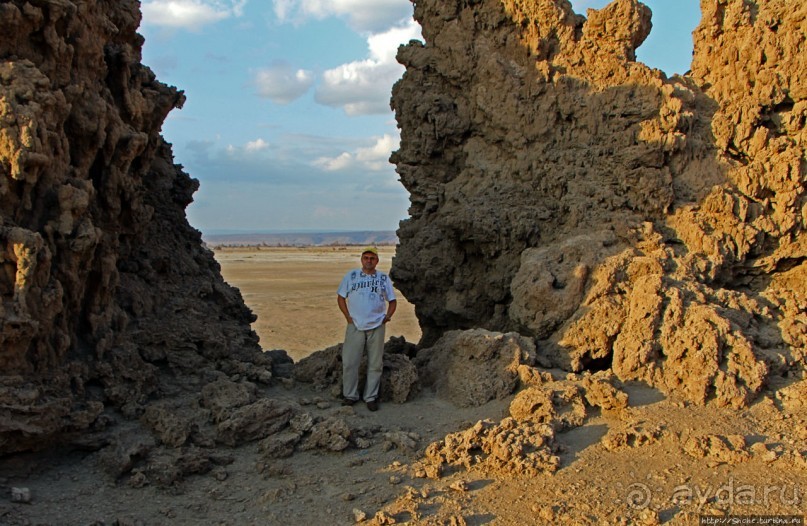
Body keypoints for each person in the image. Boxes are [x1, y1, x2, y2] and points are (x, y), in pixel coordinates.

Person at [336, 246, 397, 411]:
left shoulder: (383, 278)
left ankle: (370, 397)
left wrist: (387, 316)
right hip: (355, 324)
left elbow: (392, 300)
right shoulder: (351, 276)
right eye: (366, 258)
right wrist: (348, 317)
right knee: (350, 362)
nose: (369, 261)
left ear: (377, 261)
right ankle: (350, 395)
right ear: (361, 260)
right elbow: (341, 297)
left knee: (375, 363)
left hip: (377, 325)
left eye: (372, 258)